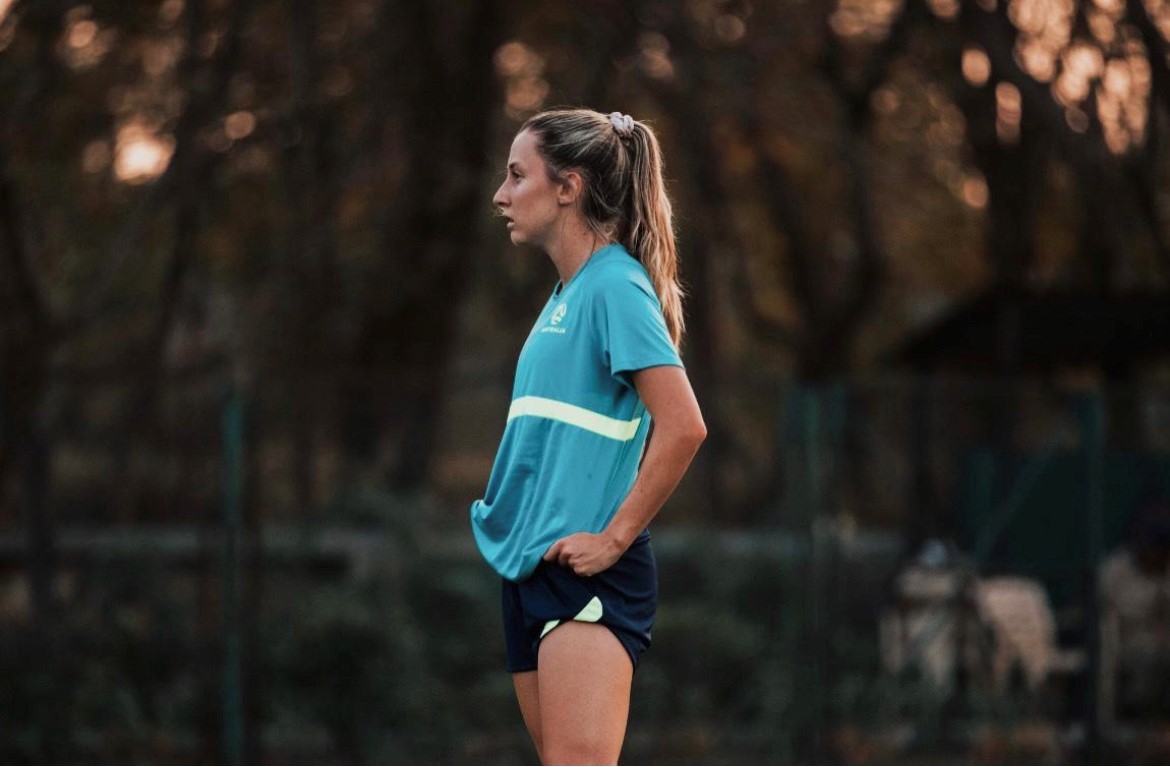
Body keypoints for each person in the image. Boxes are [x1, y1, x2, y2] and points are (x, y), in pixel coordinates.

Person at [470, 108, 706, 765]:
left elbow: (685, 425)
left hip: (589, 572)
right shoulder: (566, 294)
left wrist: (614, 536)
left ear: (568, 187)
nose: (502, 193)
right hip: (532, 570)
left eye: (518, 176)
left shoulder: (615, 287)